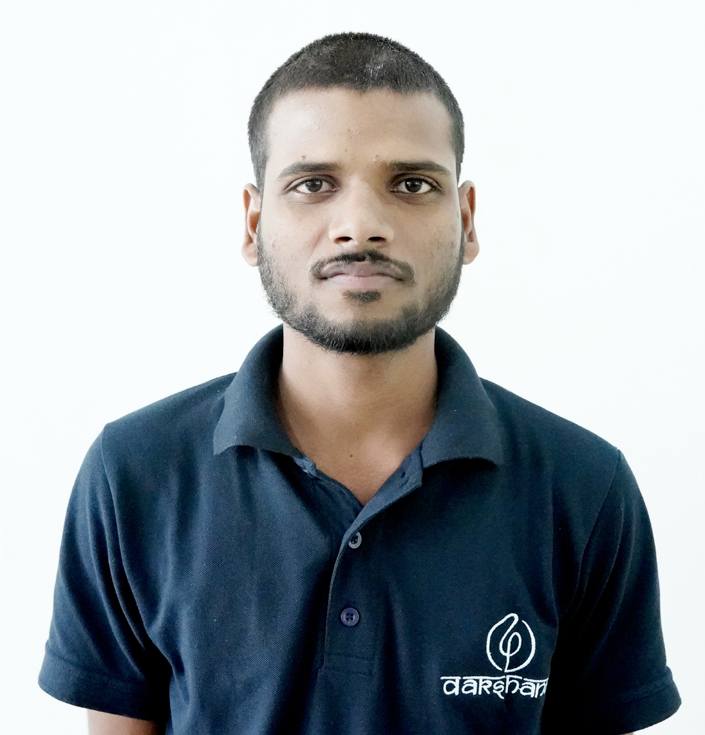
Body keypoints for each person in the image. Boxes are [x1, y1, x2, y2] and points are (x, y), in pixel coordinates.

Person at [39, 33, 680, 735]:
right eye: (313, 184)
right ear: (253, 223)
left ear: (466, 220)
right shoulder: (135, 473)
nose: (360, 226)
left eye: (411, 184)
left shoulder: (583, 487)